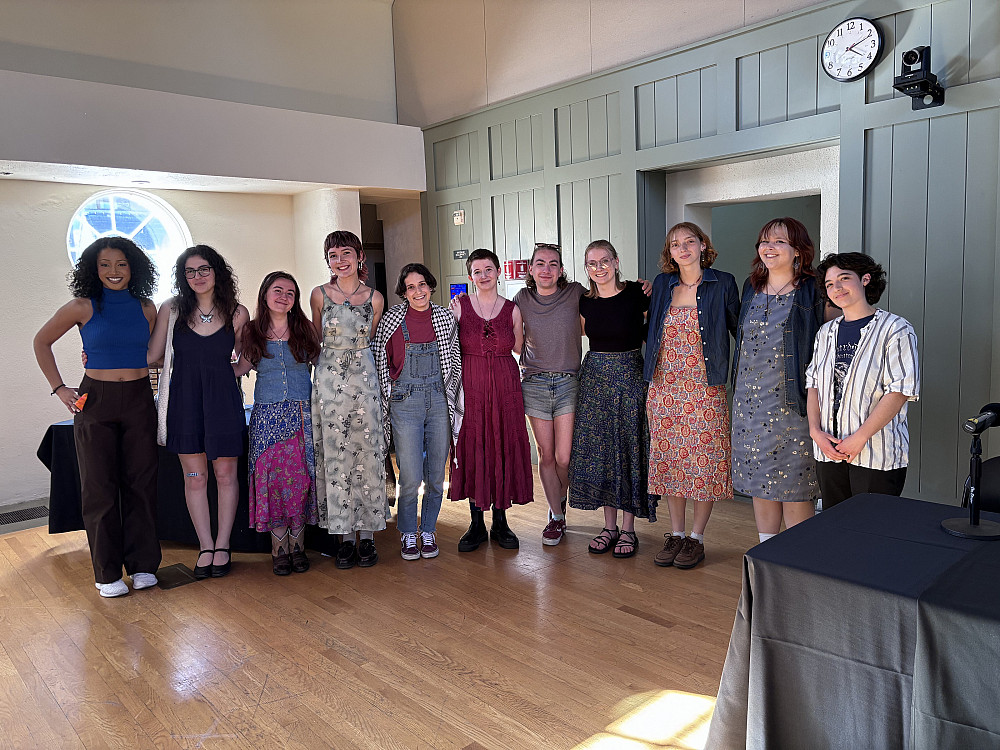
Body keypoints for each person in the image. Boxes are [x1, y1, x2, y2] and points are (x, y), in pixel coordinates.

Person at [33, 237, 161, 597]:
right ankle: (106, 574)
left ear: (133, 267)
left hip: (139, 399)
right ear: (94, 269)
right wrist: (60, 388)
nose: (113, 271)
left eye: (121, 264)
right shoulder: (80, 306)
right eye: (105, 265)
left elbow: (151, 355)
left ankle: (143, 566)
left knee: (142, 483)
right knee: (99, 487)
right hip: (96, 400)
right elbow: (41, 342)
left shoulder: (146, 307)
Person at [149, 245, 248, 579]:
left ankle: (223, 545)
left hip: (223, 403)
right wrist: (98, 354)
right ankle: (205, 545)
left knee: (224, 476)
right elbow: (153, 356)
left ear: (216, 271)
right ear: (182, 277)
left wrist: (223, 374)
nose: (197, 276)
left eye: (203, 269)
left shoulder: (237, 312)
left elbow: (247, 357)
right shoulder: (172, 309)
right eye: (190, 271)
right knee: (195, 478)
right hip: (184, 403)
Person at [645, 223, 739, 569]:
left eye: (689, 242)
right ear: (669, 252)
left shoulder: (723, 283)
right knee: (670, 461)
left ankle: (696, 539)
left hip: (705, 387)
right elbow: (648, 327)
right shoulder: (661, 285)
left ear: (702, 245)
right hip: (664, 386)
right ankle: (677, 534)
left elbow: (738, 329)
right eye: (674, 244)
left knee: (704, 461)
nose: (682, 249)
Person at [730, 218, 825, 542]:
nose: (768, 248)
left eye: (778, 242)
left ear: (798, 250)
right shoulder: (750, 287)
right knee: (761, 481)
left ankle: (798, 563)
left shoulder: (814, 290)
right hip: (749, 406)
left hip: (792, 404)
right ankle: (767, 554)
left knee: (795, 486)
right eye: (764, 241)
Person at [807, 253, 919, 508]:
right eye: (829, 284)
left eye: (844, 279)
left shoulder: (896, 329)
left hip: (875, 452)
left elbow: (900, 391)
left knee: (872, 530)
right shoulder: (826, 333)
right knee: (835, 527)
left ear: (866, 279)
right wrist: (815, 432)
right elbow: (813, 384)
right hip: (829, 451)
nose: (837, 288)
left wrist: (859, 438)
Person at [569, 239, 655, 558]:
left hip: (631, 373)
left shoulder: (637, 292)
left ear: (616, 262)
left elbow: (655, 330)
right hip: (594, 378)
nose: (599, 268)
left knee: (628, 449)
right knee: (604, 452)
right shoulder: (585, 302)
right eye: (592, 264)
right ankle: (609, 527)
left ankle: (629, 530)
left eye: (604, 261)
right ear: (587, 269)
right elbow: (579, 335)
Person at [372, 264, 463, 561]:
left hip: (438, 400)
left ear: (431, 286)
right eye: (410, 287)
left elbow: (456, 361)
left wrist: (453, 398)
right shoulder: (392, 320)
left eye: (422, 284)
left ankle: (428, 530)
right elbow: (380, 363)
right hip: (405, 402)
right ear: (403, 292)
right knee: (410, 475)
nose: (418, 291)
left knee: (436, 475)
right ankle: (409, 532)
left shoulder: (445, 318)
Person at [310, 230, 388, 569]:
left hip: (364, 381)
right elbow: (315, 340)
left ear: (359, 257)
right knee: (336, 458)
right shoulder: (319, 295)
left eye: (345, 254)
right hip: (328, 384)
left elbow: (370, 339)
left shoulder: (375, 297)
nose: (339, 261)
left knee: (367, 455)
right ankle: (342, 537)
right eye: (333, 256)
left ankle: (368, 537)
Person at [449, 248, 533, 551]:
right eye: (477, 271)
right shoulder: (458, 307)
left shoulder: (512, 309)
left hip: (505, 385)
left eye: (488, 270)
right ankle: (475, 523)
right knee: (472, 445)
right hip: (469, 386)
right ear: (470, 276)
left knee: (502, 445)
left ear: (498, 272)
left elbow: (519, 349)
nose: (483, 276)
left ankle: (500, 522)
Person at [238, 272, 321, 575]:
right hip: (267, 419)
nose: (284, 296)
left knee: (299, 482)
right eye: (278, 290)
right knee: (272, 482)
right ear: (265, 294)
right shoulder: (252, 331)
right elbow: (241, 367)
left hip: (300, 414)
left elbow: (323, 366)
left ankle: (298, 547)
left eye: (290, 292)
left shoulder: (306, 329)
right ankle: (279, 549)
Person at [513, 243, 586, 545]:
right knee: (546, 456)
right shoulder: (522, 298)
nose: (546, 269)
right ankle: (556, 516)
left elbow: (606, 302)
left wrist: (640, 287)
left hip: (569, 381)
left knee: (564, 458)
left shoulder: (576, 293)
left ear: (561, 270)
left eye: (553, 264)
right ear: (530, 269)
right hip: (535, 383)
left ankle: (561, 497)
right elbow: (517, 344)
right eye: (540, 263)